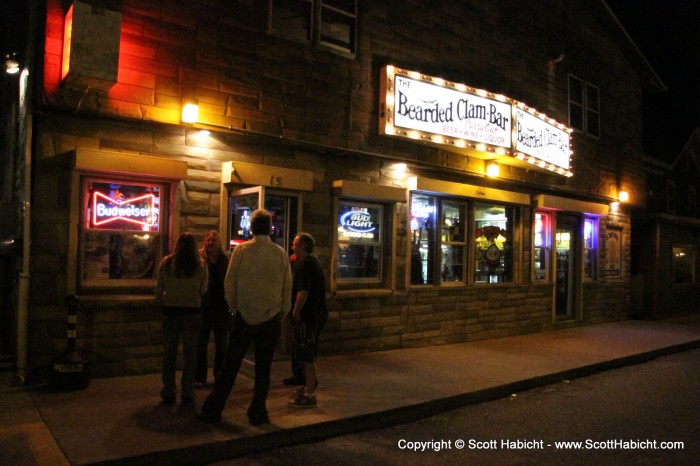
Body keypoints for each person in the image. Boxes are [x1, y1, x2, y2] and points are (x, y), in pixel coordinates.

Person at [199, 209, 292, 425]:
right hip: (270, 318)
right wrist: (281, 312)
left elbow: (229, 284)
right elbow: (288, 287)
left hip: (244, 316)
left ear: (252, 227)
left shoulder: (241, 251)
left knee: (231, 365)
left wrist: (234, 309)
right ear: (270, 228)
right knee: (263, 368)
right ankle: (258, 411)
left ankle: (214, 408)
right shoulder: (280, 253)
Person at [154, 233, 208, 405]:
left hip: (170, 311)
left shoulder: (166, 263)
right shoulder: (200, 265)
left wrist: (162, 301)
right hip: (192, 312)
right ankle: (187, 391)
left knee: (169, 353)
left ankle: (168, 390)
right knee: (190, 354)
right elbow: (203, 290)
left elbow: (159, 289)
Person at [287, 232, 327, 409]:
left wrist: (296, 310)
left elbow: (303, 291)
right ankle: (308, 387)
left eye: (295, 244)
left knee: (306, 355)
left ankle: (310, 394)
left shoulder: (304, 265)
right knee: (308, 353)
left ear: (303, 246)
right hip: (317, 314)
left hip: (307, 316)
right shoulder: (313, 262)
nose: (292, 247)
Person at [195, 230, 230, 386]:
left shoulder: (225, 259)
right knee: (201, 343)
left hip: (221, 306)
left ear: (219, 243)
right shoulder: (200, 258)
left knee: (222, 343)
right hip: (204, 305)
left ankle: (220, 375)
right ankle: (199, 377)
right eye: (208, 240)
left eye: (213, 240)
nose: (210, 243)